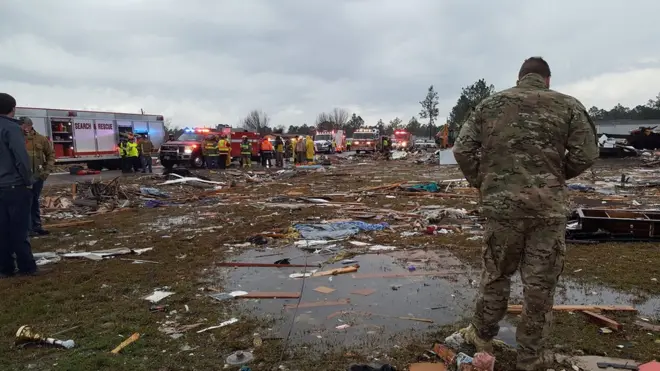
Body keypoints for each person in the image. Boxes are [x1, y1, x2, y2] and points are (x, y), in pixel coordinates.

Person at [452, 57, 599, 371]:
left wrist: (484, 181)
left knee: (496, 275)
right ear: (547, 79)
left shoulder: (490, 105)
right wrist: (555, 175)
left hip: (502, 210)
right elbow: (587, 152)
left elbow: (462, 149)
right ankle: (529, 360)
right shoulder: (568, 105)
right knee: (539, 287)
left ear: (520, 78)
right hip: (547, 211)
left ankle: (482, 338)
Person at [0, 93, 38, 277]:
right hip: (15, 187)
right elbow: (20, 159)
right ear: (12, 109)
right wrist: (28, 181)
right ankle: (27, 267)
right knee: (19, 229)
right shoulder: (11, 128)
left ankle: (5, 268)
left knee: (2, 230)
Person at [20, 117, 55, 236]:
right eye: (21, 126)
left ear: (30, 126)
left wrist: (46, 172)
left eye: (24, 126)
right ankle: (27, 228)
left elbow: (51, 155)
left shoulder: (41, 139)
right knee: (24, 202)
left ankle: (36, 226)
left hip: (37, 176)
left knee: (34, 201)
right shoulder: (17, 138)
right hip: (21, 177)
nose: (23, 128)